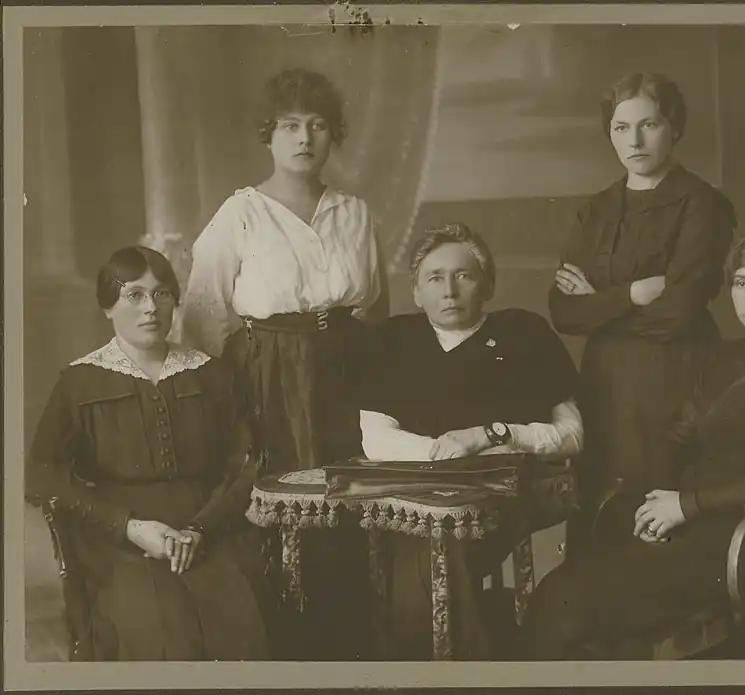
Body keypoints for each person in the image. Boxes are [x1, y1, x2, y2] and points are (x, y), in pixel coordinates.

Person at [518, 231, 745, 660]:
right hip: (696, 517)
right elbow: (678, 439)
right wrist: (655, 502)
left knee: (571, 608)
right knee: (567, 590)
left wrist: (685, 506)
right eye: (739, 282)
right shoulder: (727, 357)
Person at [179, 68, 388, 659]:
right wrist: (242, 385)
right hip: (269, 375)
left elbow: (375, 306)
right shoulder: (241, 213)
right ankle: (291, 648)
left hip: (346, 370)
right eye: (290, 125)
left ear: (334, 134)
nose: (304, 138)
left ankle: (352, 647)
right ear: (267, 135)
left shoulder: (355, 213)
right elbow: (203, 315)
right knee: (285, 507)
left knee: (351, 503)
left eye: (318, 125)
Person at [25, 246, 269, 661]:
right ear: (107, 307)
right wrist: (131, 527)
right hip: (117, 540)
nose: (150, 308)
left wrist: (199, 530)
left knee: (241, 627)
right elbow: (40, 474)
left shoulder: (210, 373)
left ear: (175, 301)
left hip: (208, 529)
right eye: (133, 295)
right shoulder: (80, 382)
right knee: (160, 629)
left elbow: (246, 463)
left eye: (161, 294)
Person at [359, 223, 584, 659]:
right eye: (434, 278)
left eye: (463, 275)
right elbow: (374, 436)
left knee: (436, 553)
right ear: (416, 292)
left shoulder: (524, 333)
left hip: (503, 496)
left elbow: (572, 434)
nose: (449, 290)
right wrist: (442, 455)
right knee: (416, 551)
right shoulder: (393, 341)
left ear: (487, 284)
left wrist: (489, 436)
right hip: (415, 500)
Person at [548, 72, 737, 550]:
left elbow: (680, 310)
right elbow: (563, 311)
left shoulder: (702, 204)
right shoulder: (595, 210)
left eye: (648, 124)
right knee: (601, 512)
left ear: (673, 126)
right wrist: (631, 293)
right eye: (620, 127)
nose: (633, 140)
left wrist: (600, 303)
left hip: (674, 379)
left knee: (662, 505)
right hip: (605, 385)